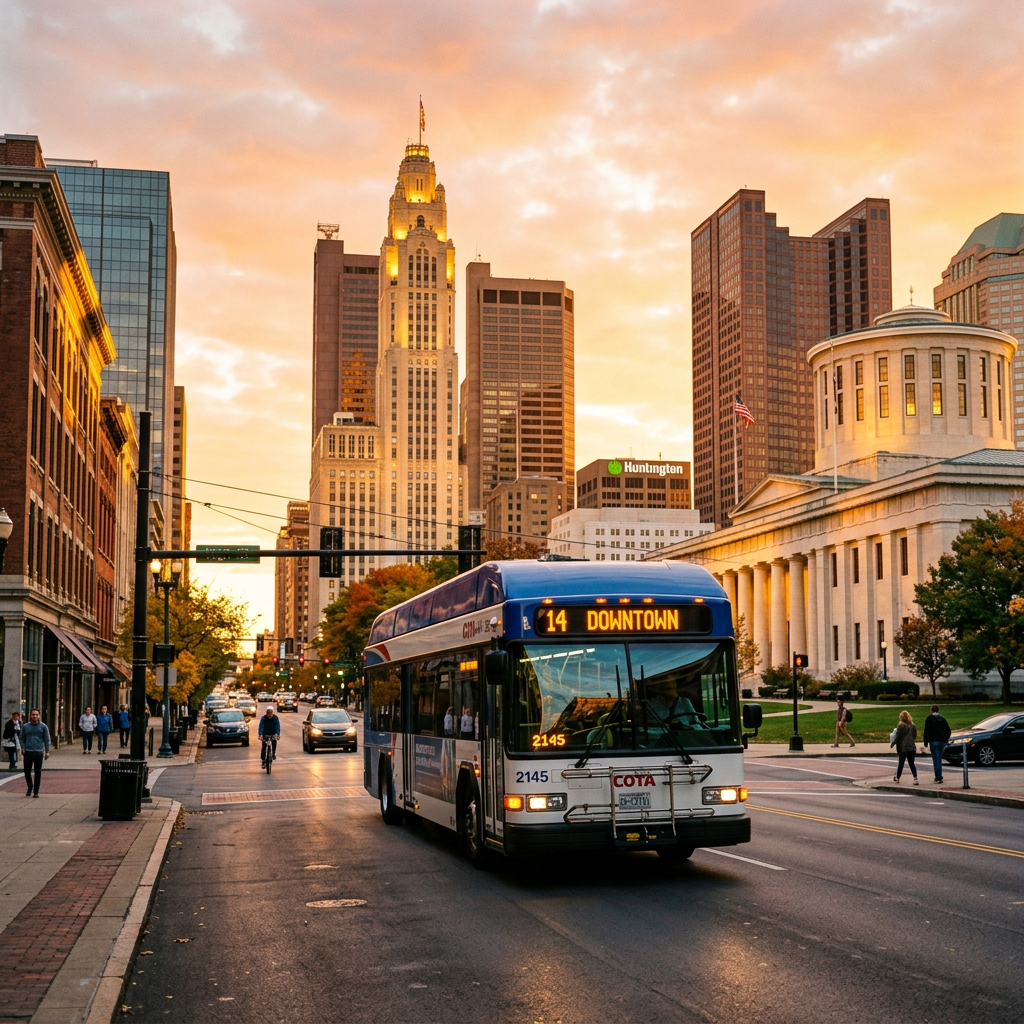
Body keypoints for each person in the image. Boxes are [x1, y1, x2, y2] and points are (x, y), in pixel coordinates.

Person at [21, 709, 50, 798]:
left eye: (36, 714)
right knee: (27, 771)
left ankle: (36, 791)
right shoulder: (25, 726)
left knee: (38, 772)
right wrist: (23, 748)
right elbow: (21, 738)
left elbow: (47, 739)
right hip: (28, 752)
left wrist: (47, 751)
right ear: (30, 716)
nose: (35, 716)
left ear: (39, 716)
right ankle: (30, 787)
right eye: (33, 714)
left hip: (39, 752)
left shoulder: (43, 726)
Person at [922, 704, 951, 784]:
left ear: (931, 710)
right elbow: (948, 730)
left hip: (933, 741)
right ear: (938, 710)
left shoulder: (929, 719)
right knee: (939, 759)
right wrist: (946, 739)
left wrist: (926, 743)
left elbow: (926, 731)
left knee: (936, 760)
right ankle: (939, 776)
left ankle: (938, 777)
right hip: (942, 741)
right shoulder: (942, 719)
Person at [891, 709, 919, 785]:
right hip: (912, 747)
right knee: (912, 764)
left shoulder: (901, 726)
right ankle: (915, 778)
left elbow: (898, 737)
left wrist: (893, 743)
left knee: (901, 763)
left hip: (903, 748)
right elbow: (915, 736)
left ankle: (898, 778)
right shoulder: (913, 726)